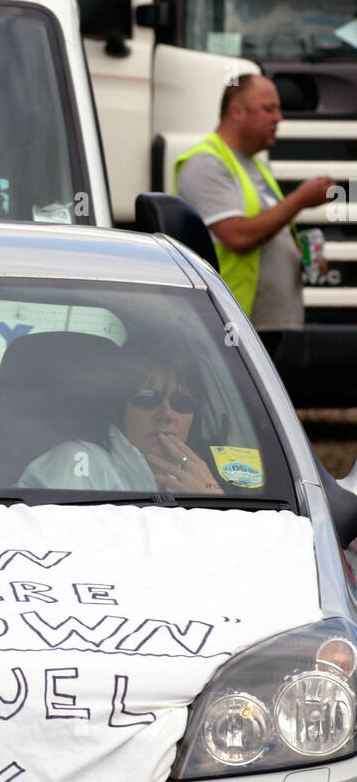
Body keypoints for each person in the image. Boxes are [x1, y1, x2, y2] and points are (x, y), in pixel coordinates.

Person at [173, 74, 334, 358]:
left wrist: (302, 254)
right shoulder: (206, 163)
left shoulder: (254, 165)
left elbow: (270, 229)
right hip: (232, 316)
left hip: (263, 322)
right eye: (268, 108)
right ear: (237, 111)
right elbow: (238, 236)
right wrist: (300, 199)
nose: (279, 118)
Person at [18, 356, 222, 494]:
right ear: (118, 407)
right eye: (148, 398)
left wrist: (213, 497)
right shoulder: (78, 462)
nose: (167, 414)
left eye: (182, 403)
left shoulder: (195, 479)